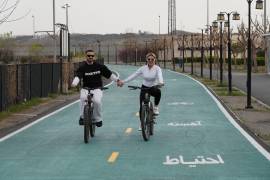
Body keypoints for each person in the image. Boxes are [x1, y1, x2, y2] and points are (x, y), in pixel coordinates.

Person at [71, 49, 119, 127]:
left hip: (97, 88)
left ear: (94, 57)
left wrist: (117, 81)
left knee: (97, 101)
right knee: (82, 99)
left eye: (92, 56)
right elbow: (78, 76)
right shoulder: (82, 67)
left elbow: (109, 74)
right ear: (86, 56)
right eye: (89, 56)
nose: (90, 57)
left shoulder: (99, 66)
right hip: (86, 88)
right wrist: (74, 83)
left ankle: (98, 119)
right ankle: (82, 117)